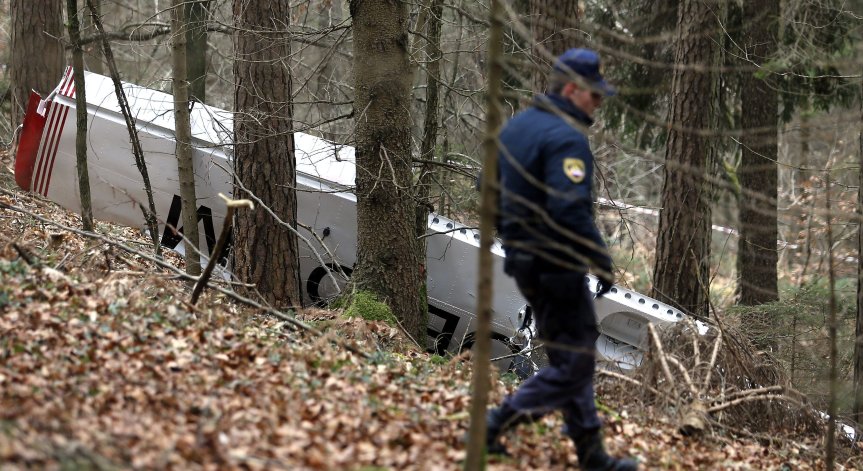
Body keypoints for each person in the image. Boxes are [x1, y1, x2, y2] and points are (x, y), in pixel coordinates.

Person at [486, 48, 638, 471]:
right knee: (575, 365)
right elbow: (570, 209)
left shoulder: (518, 127)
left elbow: (487, 186)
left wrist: (515, 236)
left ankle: (592, 456)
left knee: (573, 355)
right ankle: (495, 423)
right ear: (572, 89)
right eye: (594, 95)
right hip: (557, 262)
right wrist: (599, 257)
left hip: (526, 261)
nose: (598, 104)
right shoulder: (565, 137)